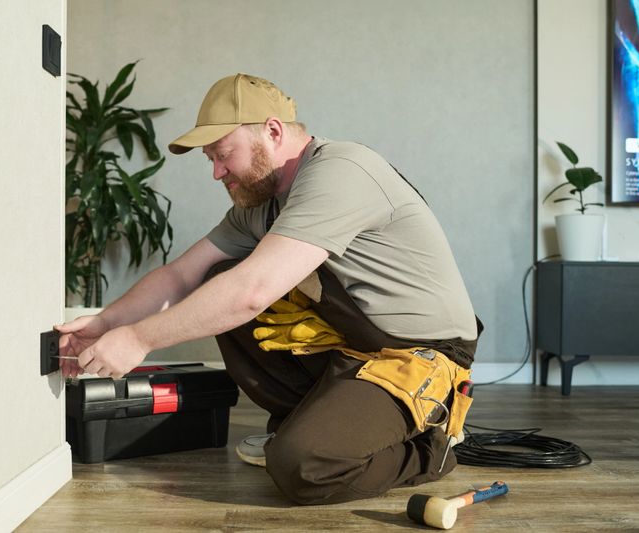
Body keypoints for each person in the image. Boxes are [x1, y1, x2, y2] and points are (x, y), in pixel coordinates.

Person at [56, 73, 482, 505]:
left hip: (421, 355)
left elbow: (252, 291)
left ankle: (432, 449)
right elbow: (181, 275)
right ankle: (306, 420)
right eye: (211, 160)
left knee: (302, 467)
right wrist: (108, 322)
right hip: (357, 345)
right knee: (215, 279)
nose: (218, 172)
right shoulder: (262, 202)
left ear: (273, 132)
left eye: (223, 155)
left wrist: (139, 339)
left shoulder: (341, 171)